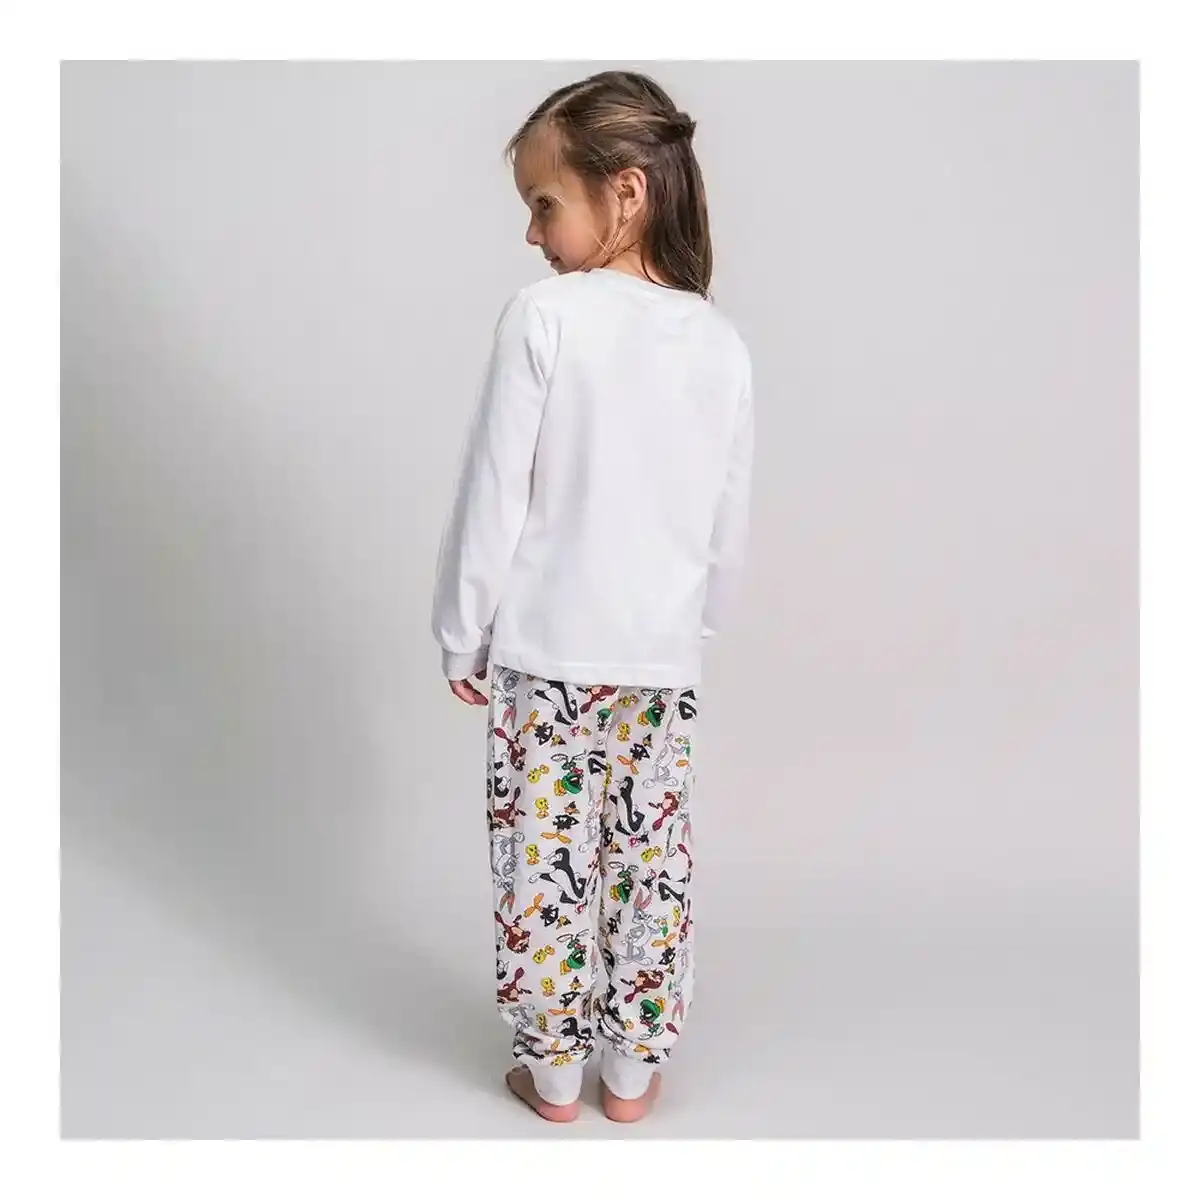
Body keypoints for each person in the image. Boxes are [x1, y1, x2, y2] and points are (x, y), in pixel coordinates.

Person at [430, 70, 754, 1123]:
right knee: (649, 868)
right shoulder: (720, 343)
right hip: (657, 664)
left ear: (626, 192)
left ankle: (555, 1074)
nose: (531, 233)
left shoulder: (544, 317)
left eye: (543, 203)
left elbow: (494, 490)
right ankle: (631, 1075)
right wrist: (691, 629)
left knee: (544, 860)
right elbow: (727, 526)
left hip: (544, 660)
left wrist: (462, 632)